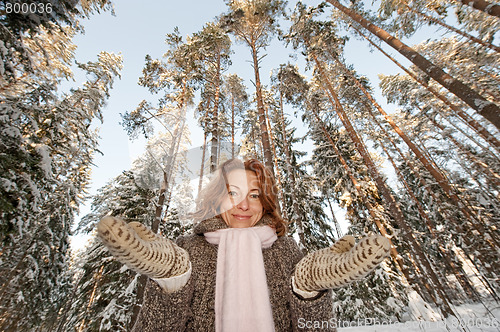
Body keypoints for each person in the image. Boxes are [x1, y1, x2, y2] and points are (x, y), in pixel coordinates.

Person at [97, 158, 391, 332]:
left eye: (254, 195)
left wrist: (310, 292)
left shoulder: (287, 251)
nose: (243, 205)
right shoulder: (185, 249)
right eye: (232, 193)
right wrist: (173, 282)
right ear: (216, 200)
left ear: (265, 204)